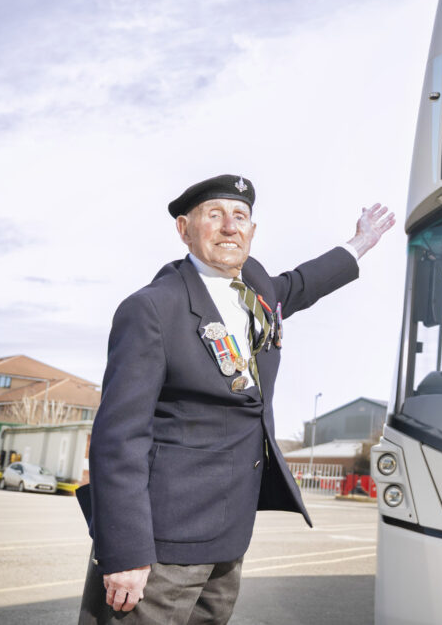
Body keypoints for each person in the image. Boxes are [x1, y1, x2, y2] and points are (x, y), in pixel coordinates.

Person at [77, 174, 394, 624]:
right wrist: (125, 552)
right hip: (161, 543)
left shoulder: (256, 290)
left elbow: (303, 283)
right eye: (215, 215)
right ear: (184, 229)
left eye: (240, 216)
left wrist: (360, 242)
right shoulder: (152, 308)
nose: (230, 226)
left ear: (252, 232)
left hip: (228, 537)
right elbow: (118, 438)